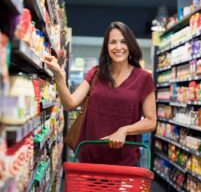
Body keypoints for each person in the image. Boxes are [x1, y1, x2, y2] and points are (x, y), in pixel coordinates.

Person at [44, 21, 156, 166]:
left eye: (123, 42)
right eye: (113, 42)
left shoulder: (144, 78)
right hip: (90, 158)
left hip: (125, 161)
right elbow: (69, 103)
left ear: (130, 45)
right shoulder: (95, 73)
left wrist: (124, 131)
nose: (118, 47)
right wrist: (58, 74)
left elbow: (151, 121)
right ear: (106, 47)